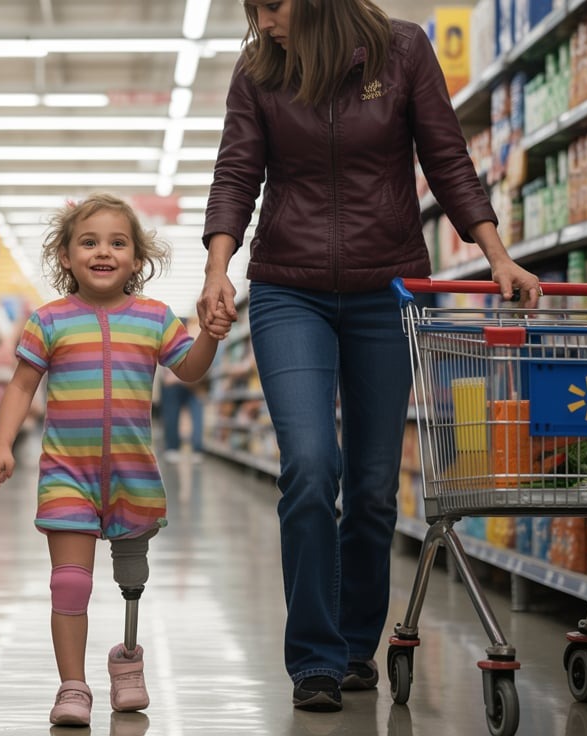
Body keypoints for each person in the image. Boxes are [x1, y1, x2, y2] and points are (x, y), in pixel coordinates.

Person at [198, 0, 542, 713]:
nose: (262, 22)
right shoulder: (259, 67)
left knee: (375, 484)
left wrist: (498, 255)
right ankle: (314, 659)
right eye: (252, 8)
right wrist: (217, 269)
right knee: (309, 464)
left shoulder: (403, 50)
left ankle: (356, 646)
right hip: (288, 288)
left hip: (386, 288)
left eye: (272, 6)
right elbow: (237, 171)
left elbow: (447, 158)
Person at [0, 193, 228, 727]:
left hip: (134, 475)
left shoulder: (156, 318)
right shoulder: (48, 321)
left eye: (118, 243)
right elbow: (21, 387)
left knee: (132, 578)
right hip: (67, 474)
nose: (103, 252)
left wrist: (209, 333)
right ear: (65, 256)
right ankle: (72, 685)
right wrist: (1, 444)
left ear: (137, 259)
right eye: (88, 242)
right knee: (69, 582)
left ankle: (128, 658)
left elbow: (190, 371)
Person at [160, 317, 208, 463]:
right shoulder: (168, 344)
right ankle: (173, 447)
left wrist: (183, 378)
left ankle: (195, 448)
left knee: (195, 410)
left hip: (192, 386)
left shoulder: (190, 342)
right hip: (180, 387)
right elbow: (166, 378)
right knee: (173, 413)